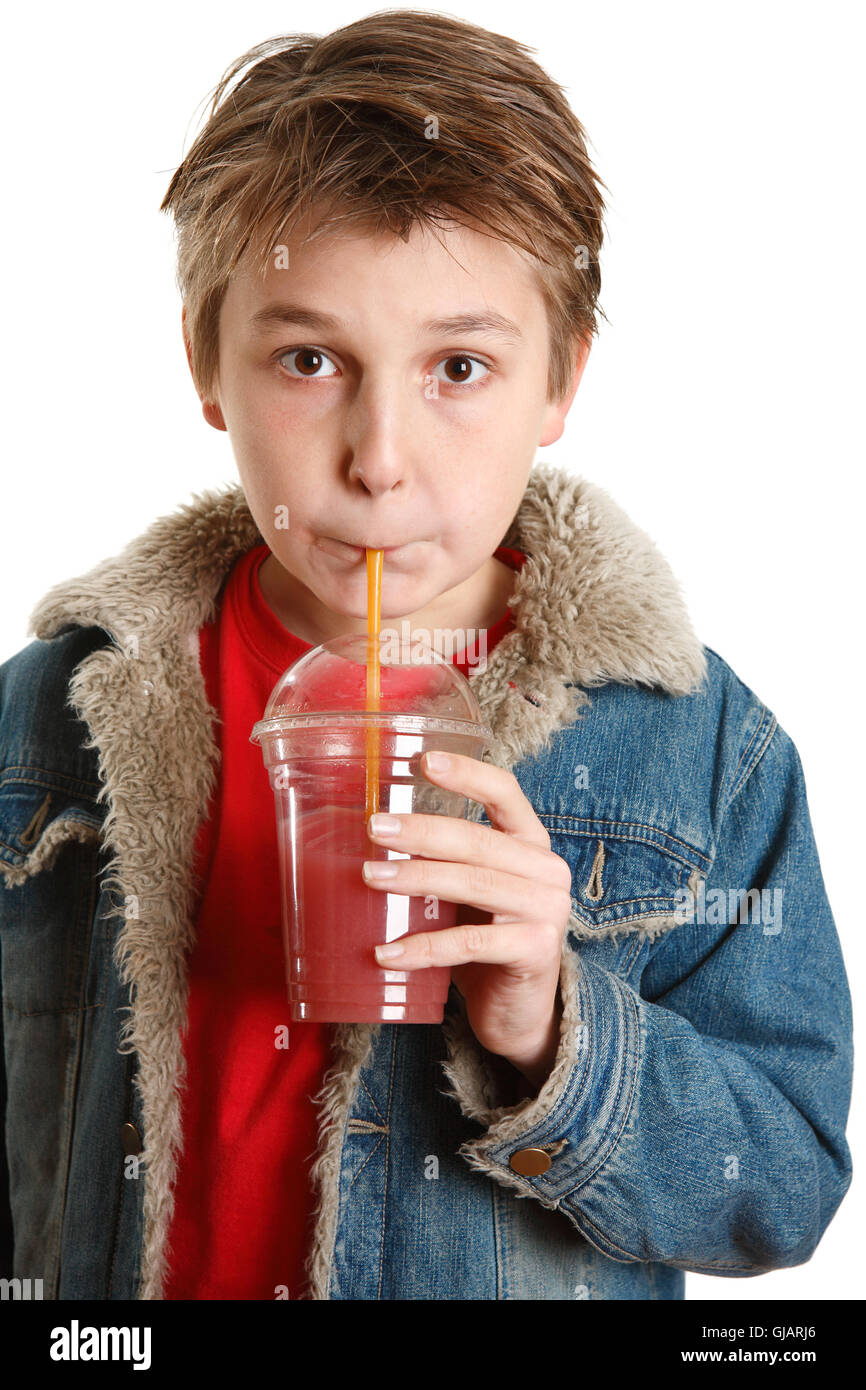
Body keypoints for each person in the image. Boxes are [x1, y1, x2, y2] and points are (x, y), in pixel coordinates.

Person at [0, 11, 852, 1301]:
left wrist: (555, 1031)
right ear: (205, 364)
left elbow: (783, 1187)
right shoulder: (47, 719)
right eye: (308, 359)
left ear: (561, 378)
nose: (379, 456)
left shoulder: (698, 746)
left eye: (460, 365)